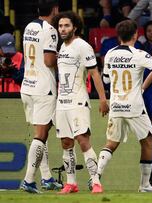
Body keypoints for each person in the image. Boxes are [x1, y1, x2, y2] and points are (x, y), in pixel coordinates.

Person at [90, 19, 152, 193]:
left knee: (111, 143)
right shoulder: (138, 54)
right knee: (147, 141)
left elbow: (106, 80)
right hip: (134, 106)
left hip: (116, 105)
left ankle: (95, 179)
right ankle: (144, 185)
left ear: (118, 36)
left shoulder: (110, 54)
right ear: (135, 35)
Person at [52, 11, 109, 194]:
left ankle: (95, 182)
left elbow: (94, 73)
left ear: (75, 27)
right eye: (60, 26)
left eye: (66, 25)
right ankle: (71, 183)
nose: (63, 29)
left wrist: (102, 99)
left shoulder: (82, 46)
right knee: (66, 142)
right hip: (62, 103)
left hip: (78, 101)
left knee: (83, 140)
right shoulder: (62, 47)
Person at [20, 0, 62, 193]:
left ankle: (46, 178)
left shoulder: (29, 26)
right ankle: (29, 180)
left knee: (40, 135)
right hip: (43, 88)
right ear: (54, 10)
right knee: (41, 135)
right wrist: (62, 56)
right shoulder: (50, 30)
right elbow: (48, 60)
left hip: (27, 85)